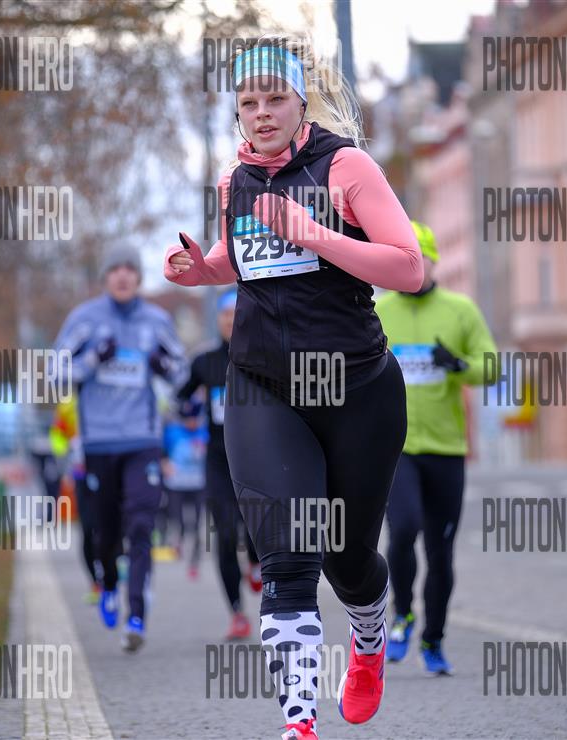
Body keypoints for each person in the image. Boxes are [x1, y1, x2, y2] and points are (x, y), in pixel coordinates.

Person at [164, 37, 422, 740]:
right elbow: (244, 258)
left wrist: (314, 233)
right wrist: (203, 270)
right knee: (286, 556)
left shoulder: (346, 166)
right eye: (248, 102)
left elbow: (408, 268)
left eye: (274, 98)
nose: (261, 113)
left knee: (347, 559)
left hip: (356, 388)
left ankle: (368, 634)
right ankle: (299, 723)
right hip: (263, 387)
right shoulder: (235, 179)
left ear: (301, 102)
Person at [375, 221, 497, 675]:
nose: (411, 268)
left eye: (417, 259)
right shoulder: (377, 310)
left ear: (431, 261)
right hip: (397, 447)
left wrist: (460, 365)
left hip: (446, 449)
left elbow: (492, 367)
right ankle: (403, 613)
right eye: (400, 259)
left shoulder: (460, 310)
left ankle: (434, 638)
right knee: (403, 529)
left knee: (440, 551)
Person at [53, 245, 187, 652]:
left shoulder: (157, 321)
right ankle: (108, 582)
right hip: (99, 442)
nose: (123, 275)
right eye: (115, 269)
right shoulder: (85, 319)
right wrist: (93, 359)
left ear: (139, 277)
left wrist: (164, 368)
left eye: (131, 268)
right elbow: (56, 373)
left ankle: (136, 616)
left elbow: (182, 375)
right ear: (106, 277)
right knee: (104, 530)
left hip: (142, 441)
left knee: (141, 525)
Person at [176, 289, 262, 641]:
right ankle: (237, 613)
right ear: (217, 320)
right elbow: (181, 398)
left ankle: (256, 561)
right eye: (225, 314)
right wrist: (187, 410)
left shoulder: (263, 356)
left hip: (257, 457)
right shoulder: (205, 361)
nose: (230, 320)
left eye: (236, 313)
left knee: (256, 526)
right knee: (224, 533)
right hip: (218, 459)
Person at [49, 395, 101, 603]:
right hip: (81, 474)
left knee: (110, 525)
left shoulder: (110, 394)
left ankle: (116, 565)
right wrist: (65, 459)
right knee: (87, 530)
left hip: (109, 472)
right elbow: (57, 436)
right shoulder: (67, 405)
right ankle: (96, 583)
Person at [160, 398, 207, 578]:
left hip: (199, 483)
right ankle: (177, 545)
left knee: (197, 522)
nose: (191, 422)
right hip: (176, 483)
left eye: (194, 418)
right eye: (188, 419)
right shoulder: (173, 432)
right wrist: (164, 463)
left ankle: (195, 557)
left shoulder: (204, 432)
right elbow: (161, 451)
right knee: (177, 519)